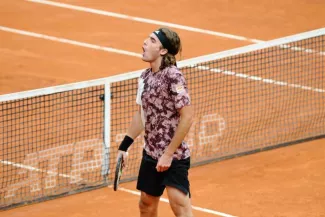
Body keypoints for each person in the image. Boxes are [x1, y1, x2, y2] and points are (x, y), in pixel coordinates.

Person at [117, 27, 194, 217]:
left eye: (152, 40)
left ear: (163, 50)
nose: (145, 42)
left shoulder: (173, 76)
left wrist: (168, 154)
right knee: (146, 205)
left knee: (179, 204)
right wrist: (124, 146)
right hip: (151, 154)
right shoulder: (144, 77)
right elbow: (141, 116)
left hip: (174, 157)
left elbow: (187, 116)